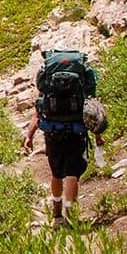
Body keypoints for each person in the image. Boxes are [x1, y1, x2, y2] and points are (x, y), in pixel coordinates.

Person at [23, 49, 105, 224]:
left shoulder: (48, 80)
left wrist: (29, 137)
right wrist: (98, 136)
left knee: (56, 173)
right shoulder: (82, 75)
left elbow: (38, 113)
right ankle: (70, 215)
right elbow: (92, 110)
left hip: (53, 131)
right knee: (72, 174)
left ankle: (57, 214)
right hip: (77, 131)